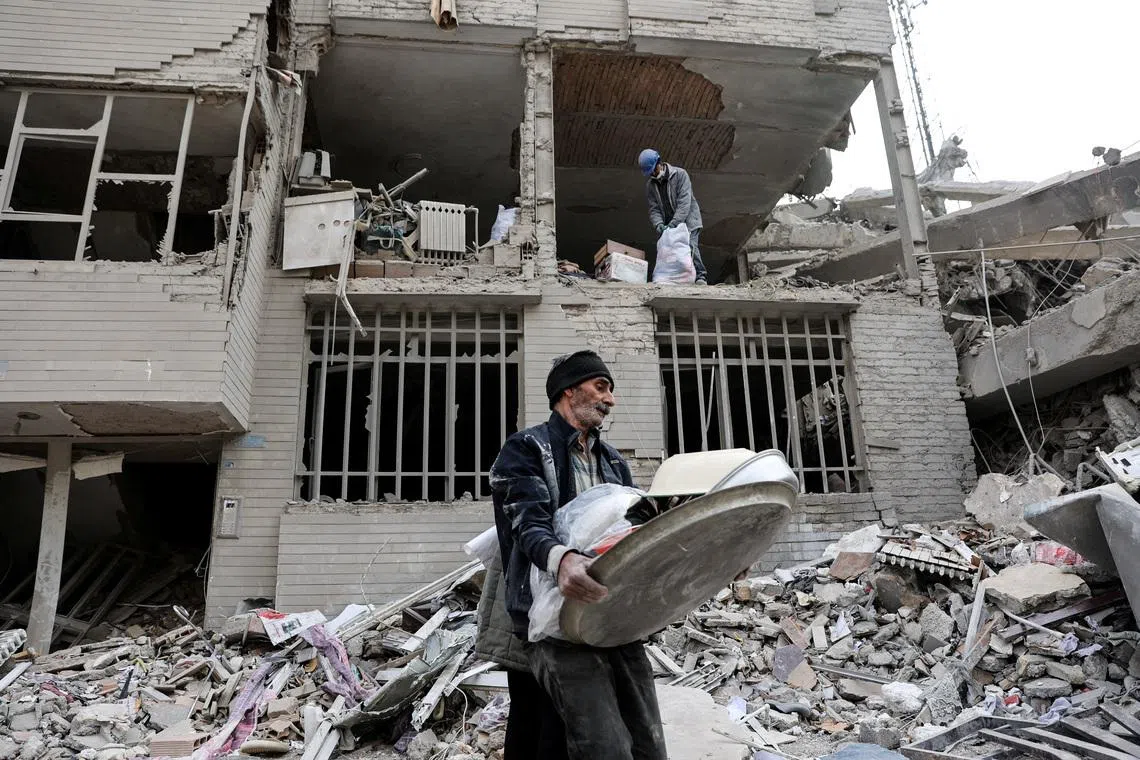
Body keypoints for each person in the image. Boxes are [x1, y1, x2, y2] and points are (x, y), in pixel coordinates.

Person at [488, 350, 667, 760]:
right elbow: (527, 522)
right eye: (600, 387)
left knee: (646, 738)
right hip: (550, 619)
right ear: (569, 391)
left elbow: (634, 532)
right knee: (561, 738)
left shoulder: (614, 463)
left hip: (610, 614)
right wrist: (563, 560)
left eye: (610, 390)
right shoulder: (527, 448)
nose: (610, 400)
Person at [639, 147, 707, 285]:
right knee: (668, 252)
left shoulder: (680, 175)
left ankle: (701, 276)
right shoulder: (651, 186)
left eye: (654, 170)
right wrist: (658, 224)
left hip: (688, 220)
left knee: (690, 246)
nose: (653, 174)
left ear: (659, 163)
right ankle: (675, 279)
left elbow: (684, 203)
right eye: (650, 173)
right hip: (669, 224)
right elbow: (654, 209)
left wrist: (675, 223)